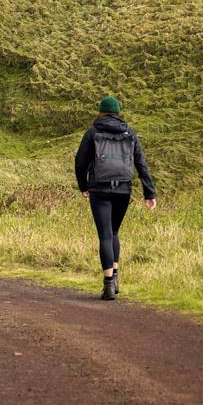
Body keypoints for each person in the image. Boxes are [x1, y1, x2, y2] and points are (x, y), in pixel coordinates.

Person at [74, 96, 156, 300]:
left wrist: (83, 186)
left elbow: (80, 161)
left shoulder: (93, 132)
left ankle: (109, 285)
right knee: (115, 231)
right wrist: (149, 193)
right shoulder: (130, 133)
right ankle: (116, 276)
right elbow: (141, 163)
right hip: (123, 189)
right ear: (118, 112)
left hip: (99, 189)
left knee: (105, 234)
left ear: (101, 112)